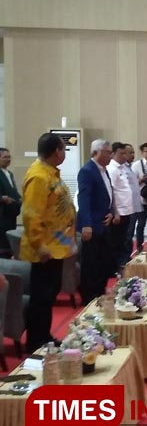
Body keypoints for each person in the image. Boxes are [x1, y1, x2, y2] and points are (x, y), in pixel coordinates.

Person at [21, 133, 77, 353]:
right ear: (57, 151)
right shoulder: (39, 177)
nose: (64, 153)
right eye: (64, 149)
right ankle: (36, 342)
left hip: (57, 246)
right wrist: (40, 245)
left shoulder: (51, 174)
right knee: (41, 297)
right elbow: (30, 215)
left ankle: (44, 335)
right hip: (44, 249)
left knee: (50, 293)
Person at [77, 139, 118, 304]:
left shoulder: (104, 170)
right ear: (96, 153)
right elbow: (84, 199)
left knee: (103, 262)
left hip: (103, 222)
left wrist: (111, 212)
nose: (110, 155)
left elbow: (106, 195)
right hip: (91, 226)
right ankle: (89, 298)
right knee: (91, 264)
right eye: (107, 152)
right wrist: (86, 224)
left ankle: (99, 293)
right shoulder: (87, 171)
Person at [107, 142, 136, 272]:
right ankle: (116, 266)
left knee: (125, 238)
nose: (124, 156)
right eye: (121, 153)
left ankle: (123, 262)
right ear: (113, 153)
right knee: (118, 241)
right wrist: (115, 212)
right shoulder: (112, 169)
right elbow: (111, 191)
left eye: (125, 153)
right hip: (120, 211)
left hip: (127, 209)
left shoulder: (123, 168)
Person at [123, 144, 144, 259]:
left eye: (133, 152)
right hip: (128, 207)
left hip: (136, 205)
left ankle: (128, 257)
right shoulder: (121, 169)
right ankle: (125, 258)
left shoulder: (130, 168)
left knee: (131, 234)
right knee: (128, 234)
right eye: (129, 153)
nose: (132, 155)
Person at [0, 148, 21, 256]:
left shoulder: (9, 173)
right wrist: (2, 198)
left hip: (11, 213)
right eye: (5, 157)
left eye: (9, 157)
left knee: (9, 239)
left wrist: (20, 198)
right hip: (2, 214)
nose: (8, 159)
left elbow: (13, 191)